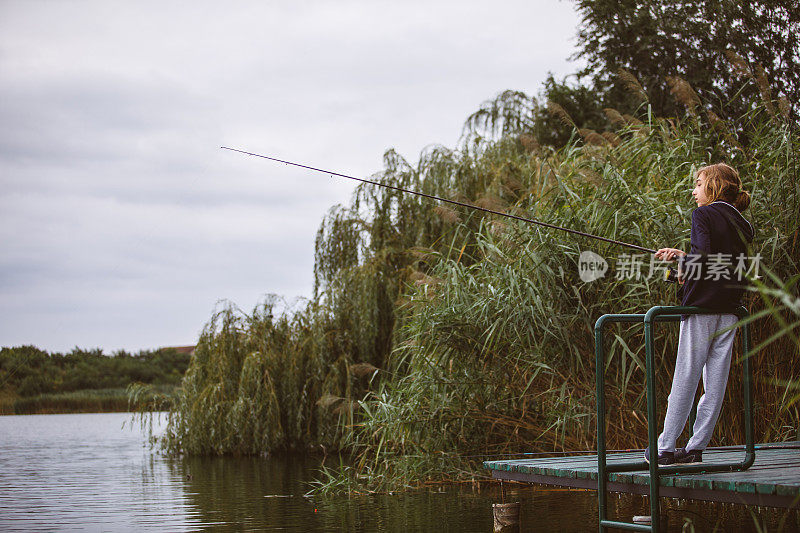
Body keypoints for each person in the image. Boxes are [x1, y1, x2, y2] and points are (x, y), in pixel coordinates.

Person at [645, 163, 754, 465]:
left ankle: (664, 449)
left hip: (701, 310)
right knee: (715, 383)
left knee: (686, 377)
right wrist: (683, 258)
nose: (694, 191)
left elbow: (704, 260)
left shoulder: (703, 214)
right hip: (730, 312)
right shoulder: (743, 223)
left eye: (698, 183)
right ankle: (695, 448)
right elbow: (722, 263)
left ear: (714, 186)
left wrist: (685, 267)